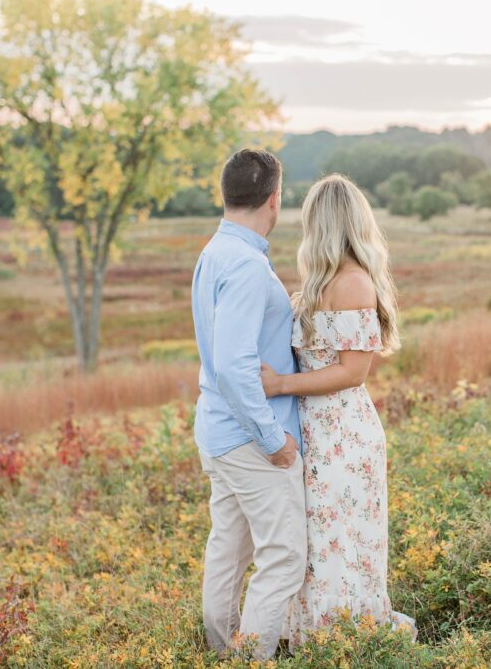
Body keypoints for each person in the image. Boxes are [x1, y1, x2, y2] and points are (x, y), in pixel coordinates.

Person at [259, 173, 417, 644]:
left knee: (343, 537)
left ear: (321, 225)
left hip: (344, 433)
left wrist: (282, 384)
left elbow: (353, 372)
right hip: (314, 428)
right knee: (316, 537)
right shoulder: (318, 283)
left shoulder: (353, 284)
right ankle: (314, 631)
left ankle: (345, 634)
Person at [190, 148, 304, 660]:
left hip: (217, 430)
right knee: (282, 556)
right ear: (274, 199)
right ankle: (250, 659)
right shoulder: (247, 266)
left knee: (229, 552)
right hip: (248, 439)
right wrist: (272, 438)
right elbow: (235, 365)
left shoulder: (215, 251)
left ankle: (221, 651)